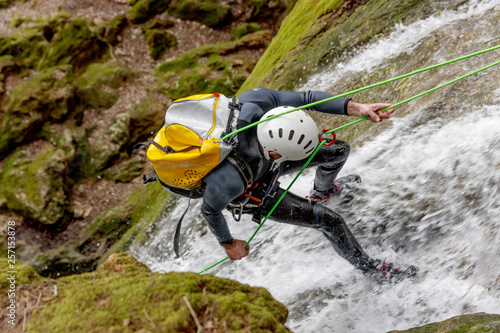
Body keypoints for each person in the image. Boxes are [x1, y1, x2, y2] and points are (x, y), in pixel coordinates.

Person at [173, 88, 417, 282]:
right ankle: (370, 270)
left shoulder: (260, 101)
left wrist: (356, 108)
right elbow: (211, 210)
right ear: (276, 154)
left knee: (338, 151)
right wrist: (228, 243)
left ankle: (322, 192)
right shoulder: (229, 180)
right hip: (253, 190)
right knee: (330, 221)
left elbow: (308, 98)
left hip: (265, 158)